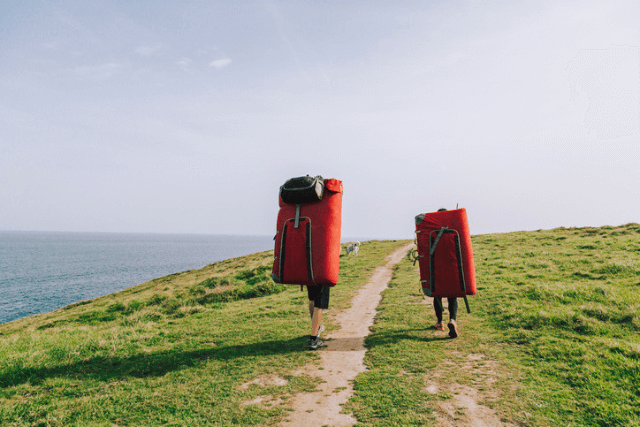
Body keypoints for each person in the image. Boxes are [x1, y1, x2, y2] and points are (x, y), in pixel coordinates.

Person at [432, 207, 459, 338]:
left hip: (436, 269)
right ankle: (452, 319)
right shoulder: (454, 232)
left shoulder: (432, 232)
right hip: (452, 268)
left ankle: (439, 322)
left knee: (437, 295)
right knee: (452, 296)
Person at [307, 284, 329, 349]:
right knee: (319, 302)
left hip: (309, 275)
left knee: (312, 299)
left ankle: (316, 328)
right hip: (321, 275)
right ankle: (313, 339)